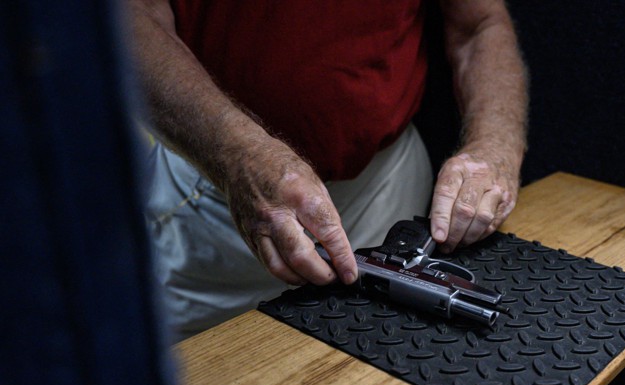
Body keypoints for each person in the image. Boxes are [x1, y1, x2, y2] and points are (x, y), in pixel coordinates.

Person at [129, 0, 528, 340]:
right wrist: (237, 156)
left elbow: (480, 23)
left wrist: (497, 144)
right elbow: (129, 21)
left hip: (388, 193)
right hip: (216, 205)